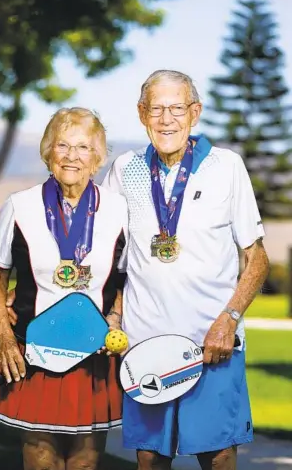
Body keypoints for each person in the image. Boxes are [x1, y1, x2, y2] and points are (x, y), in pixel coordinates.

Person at [102, 70, 270, 470]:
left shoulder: (227, 166)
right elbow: (109, 255)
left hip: (212, 344)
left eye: (176, 108)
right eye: (156, 109)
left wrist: (229, 319)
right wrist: (114, 314)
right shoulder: (124, 170)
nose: (166, 119)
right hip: (144, 347)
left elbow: (257, 256)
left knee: (218, 455)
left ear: (195, 112)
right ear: (141, 114)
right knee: (150, 457)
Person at [0, 107, 128, 470]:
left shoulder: (119, 210)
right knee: (41, 457)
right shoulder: (19, 206)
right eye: (62, 145)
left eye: (83, 147)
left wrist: (116, 317)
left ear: (97, 158)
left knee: (86, 461)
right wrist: (4, 337)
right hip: (34, 348)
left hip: (93, 351)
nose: (72, 156)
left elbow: (123, 279)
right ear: (48, 152)